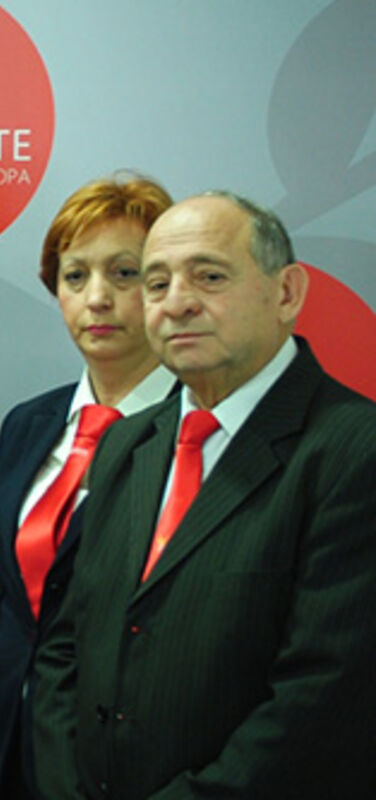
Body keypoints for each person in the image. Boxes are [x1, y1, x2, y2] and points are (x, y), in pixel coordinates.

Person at [32, 192, 376, 798]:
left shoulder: (353, 449)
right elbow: (66, 645)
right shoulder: (126, 444)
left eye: (209, 277)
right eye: (157, 284)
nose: (177, 302)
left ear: (287, 293)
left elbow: (325, 692)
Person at [0, 175, 176, 799]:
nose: (97, 298)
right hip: (3, 743)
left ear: (164, 288)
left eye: (124, 274)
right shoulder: (29, 423)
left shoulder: (199, 435)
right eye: (75, 276)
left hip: (120, 760)